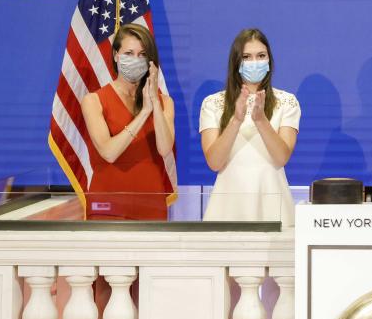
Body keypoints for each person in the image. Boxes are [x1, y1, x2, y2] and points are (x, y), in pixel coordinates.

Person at [199, 28, 300, 225]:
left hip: (272, 201)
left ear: (269, 60)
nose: (255, 62)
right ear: (236, 62)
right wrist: (236, 120)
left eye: (261, 56)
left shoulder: (287, 101)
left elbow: (281, 157)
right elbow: (214, 162)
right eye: (247, 57)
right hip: (228, 205)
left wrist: (261, 120)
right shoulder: (212, 103)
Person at [81, 23, 175, 220]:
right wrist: (143, 113)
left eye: (142, 54)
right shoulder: (94, 101)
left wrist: (154, 104)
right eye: (129, 53)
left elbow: (165, 148)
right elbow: (109, 152)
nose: (135, 59)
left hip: (150, 206)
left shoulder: (165, 102)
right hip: (107, 208)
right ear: (116, 55)